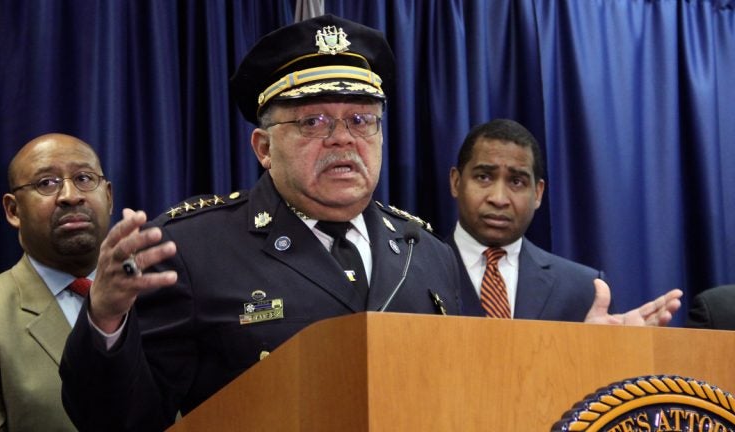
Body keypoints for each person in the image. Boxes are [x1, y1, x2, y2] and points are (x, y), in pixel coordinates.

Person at [60, 14, 461, 431]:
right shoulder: (192, 251)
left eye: (361, 120)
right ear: (264, 147)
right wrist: (105, 319)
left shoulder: (427, 252)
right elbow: (118, 421)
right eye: (313, 121)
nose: (343, 138)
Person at [449, 119, 682, 324]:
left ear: (538, 193)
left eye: (517, 182)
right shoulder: (414, 272)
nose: (499, 199)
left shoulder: (584, 289)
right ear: (456, 182)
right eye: (484, 177)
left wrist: (609, 349)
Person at [0, 133, 112, 431]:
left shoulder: (158, 296)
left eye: (84, 178)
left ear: (108, 197)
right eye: (46, 183)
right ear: (13, 210)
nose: (71, 195)